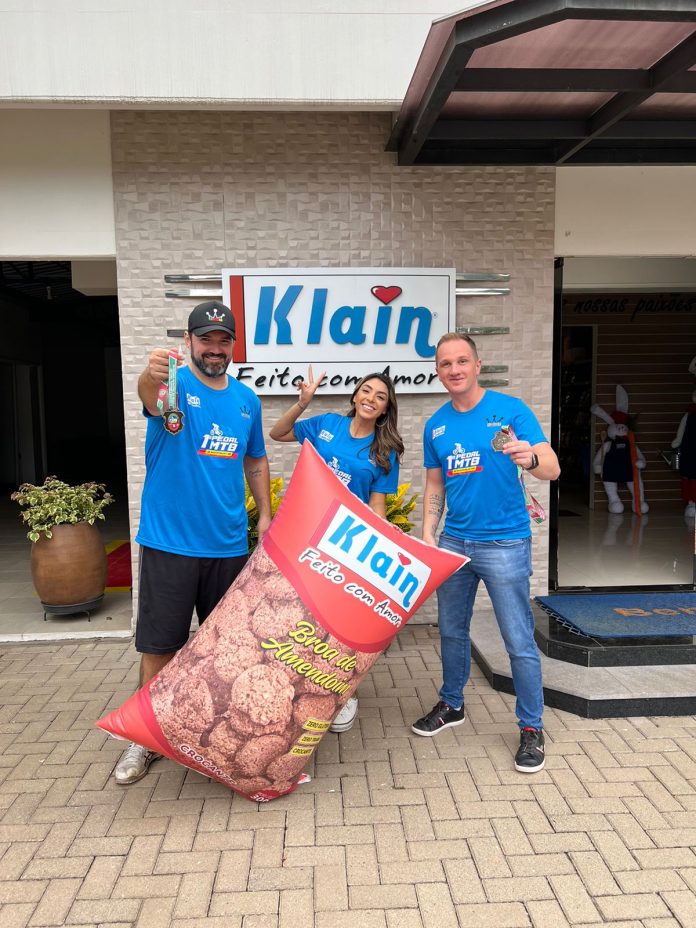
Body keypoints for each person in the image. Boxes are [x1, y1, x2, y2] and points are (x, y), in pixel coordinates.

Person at [114, 300, 272, 785]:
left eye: (224, 341)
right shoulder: (173, 387)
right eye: (206, 340)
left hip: (227, 546)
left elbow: (255, 460)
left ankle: (211, 738)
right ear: (189, 341)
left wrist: (266, 514)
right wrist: (150, 375)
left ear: (233, 346)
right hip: (170, 544)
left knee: (226, 651)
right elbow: (150, 396)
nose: (215, 349)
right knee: (160, 646)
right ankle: (143, 740)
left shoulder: (247, 401)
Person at [412, 333, 560, 773]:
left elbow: (552, 468)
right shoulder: (435, 425)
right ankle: (451, 703)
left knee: (518, 640)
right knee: (451, 631)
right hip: (455, 542)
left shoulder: (511, 411)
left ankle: (531, 726)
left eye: (462, 361)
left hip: (506, 543)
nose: (454, 370)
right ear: (438, 372)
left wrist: (531, 459)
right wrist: (428, 531)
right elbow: (435, 483)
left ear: (478, 365)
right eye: (445, 364)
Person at [270, 367, 404, 731]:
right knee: (299, 617)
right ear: (355, 395)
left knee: (336, 625)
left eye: (380, 397)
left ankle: (342, 693)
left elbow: (376, 505)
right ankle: (296, 686)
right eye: (366, 391)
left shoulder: (385, 451)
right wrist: (302, 403)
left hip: (346, 546)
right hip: (305, 535)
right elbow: (277, 433)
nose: (371, 399)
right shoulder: (326, 424)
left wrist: (385, 534)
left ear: (385, 409)